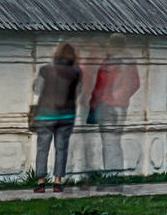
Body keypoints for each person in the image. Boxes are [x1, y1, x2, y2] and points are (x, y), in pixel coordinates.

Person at [30, 42, 83, 189]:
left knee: (42, 149)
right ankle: (57, 182)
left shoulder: (45, 70)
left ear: (57, 54)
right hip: (66, 115)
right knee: (61, 149)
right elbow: (78, 92)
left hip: (45, 115)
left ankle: (41, 183)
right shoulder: (76, 72)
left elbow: (37, 89)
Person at [85, 47, 140, 177]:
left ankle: (112, 174)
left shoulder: (112, 63)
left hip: (109, 106)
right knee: (113, 140)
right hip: (116, 106)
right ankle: (115, 173)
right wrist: (121, 98)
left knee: (110, 141)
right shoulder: (126, 61)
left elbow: (99, 87)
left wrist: (114, 98)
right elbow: (135, 84)